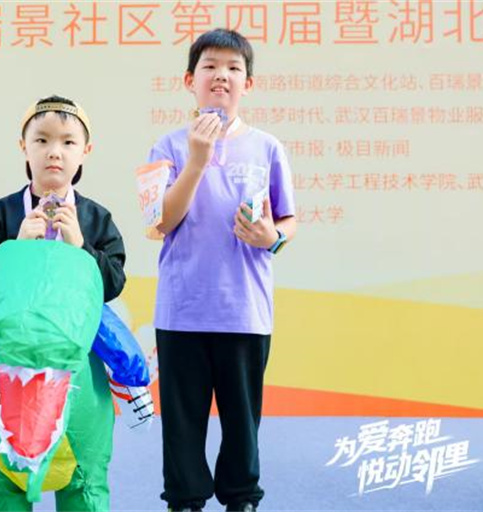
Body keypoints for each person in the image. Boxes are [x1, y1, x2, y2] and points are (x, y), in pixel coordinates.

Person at [147, 29, 297, 512]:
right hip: (182, 309)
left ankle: (241, 498)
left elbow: (287, 221)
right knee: (182, 421)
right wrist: (197, 160)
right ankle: (185, 500)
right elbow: (159, 221)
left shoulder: (267, 147)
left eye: (234, 68)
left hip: (245, 309)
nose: (221, 76)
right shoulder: (167, 147)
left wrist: (271, 237)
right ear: (189, 80)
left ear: (247, 84)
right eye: (210, 66)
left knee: (242, 421)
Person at [0, 95, 126, 511]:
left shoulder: (97, 219)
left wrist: (81, 247)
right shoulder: (2, 214)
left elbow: (113, 283)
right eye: (42, 140)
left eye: (68, 142)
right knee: (3, 476)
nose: (55, 152)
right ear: (24, 147)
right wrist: (16, 249)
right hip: (10, 364)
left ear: (85, 151)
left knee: (83, 477)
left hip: (76, 368)